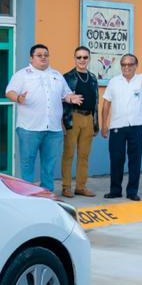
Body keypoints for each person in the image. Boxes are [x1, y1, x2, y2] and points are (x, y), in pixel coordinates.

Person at [6, 44, 85, 192]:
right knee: (27, 164)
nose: (43, 57)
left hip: (53, 129)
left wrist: (71, 98)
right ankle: (26, 194)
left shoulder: (57, 75)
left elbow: (66, 94)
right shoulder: (22, 74)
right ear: (31, 58)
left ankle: (47, 193)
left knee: (49, 165)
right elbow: (9, 91)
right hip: (29, 128)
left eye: (46, 55)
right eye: (39, 55)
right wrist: (18, 98)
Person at [99, 40, 142, 201]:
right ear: (120, 66)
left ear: (136, 66)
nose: (126, 67)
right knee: (116, 159)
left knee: (135, 160)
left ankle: (132, 191)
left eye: (130, 64)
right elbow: (106, 104)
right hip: (117, 127)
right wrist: (104, 125)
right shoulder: (114, 82)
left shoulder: (141, 79)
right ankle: (115, 190)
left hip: (136, 126)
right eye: (123, 64)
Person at [60, 46, 100, 198]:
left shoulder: (93, 78)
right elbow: (60, 100)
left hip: (88, 118)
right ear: (74, 58)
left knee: (84, 155)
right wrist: (62, 122)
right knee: (69, 154)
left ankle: (81, 187)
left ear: (89, 58)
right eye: (79, 57)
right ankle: (66, 187)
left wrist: (95, 124)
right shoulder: (67, 77)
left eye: (85, 57)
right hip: (73, 118)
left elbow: (96, 103)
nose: (82, 60)